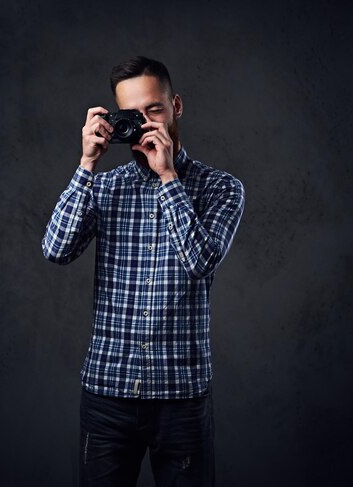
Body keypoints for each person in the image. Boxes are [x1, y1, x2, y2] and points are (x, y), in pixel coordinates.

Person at [42, 56, 245, 487]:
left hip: (181, 397)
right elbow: (56, 250)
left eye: (154, 110)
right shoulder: (105, 185)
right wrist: (85, 165)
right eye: (132, 115)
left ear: (177, 106)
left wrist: (168, 177)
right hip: (107, 393)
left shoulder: (221, 188)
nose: (146, 123)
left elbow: (200, 261)